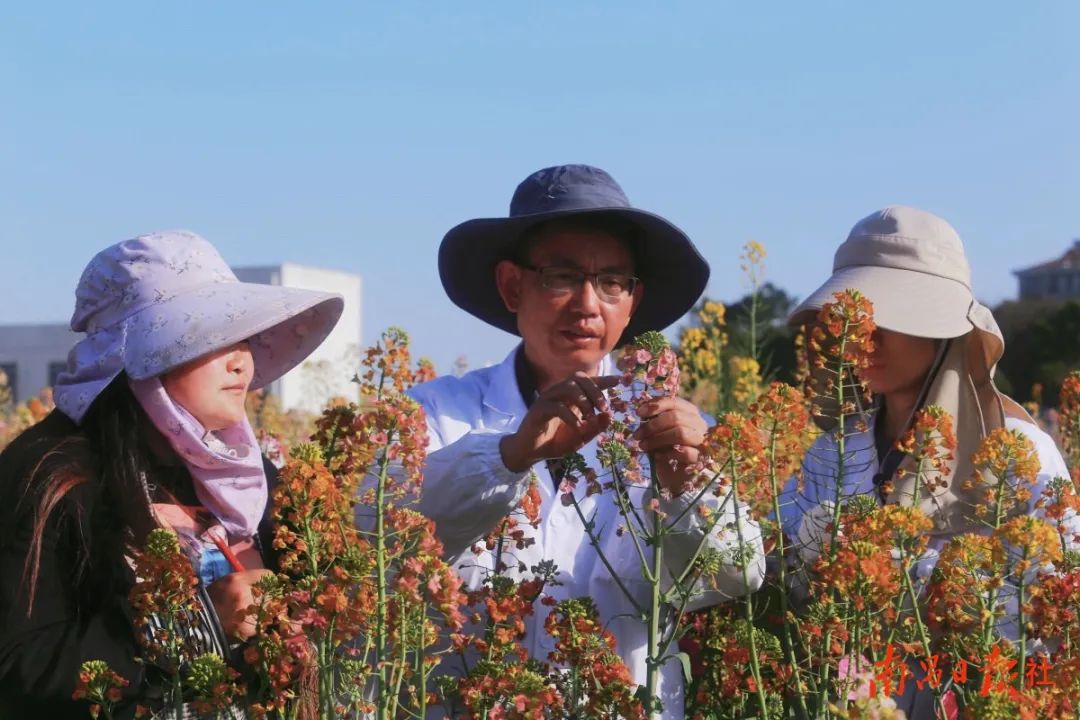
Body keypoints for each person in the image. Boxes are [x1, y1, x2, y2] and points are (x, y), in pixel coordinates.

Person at [407, 164, 765, 717]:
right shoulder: (436, 413)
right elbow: (386, 535)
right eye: (561, 276)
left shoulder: (682, 433)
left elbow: (735, 574)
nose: (588, 304)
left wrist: (685, 488)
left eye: (612, 282)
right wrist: (511, 454)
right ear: (511, 285)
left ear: (632, 301)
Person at [0, 231, 343, 718]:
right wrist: (194, 624)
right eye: (215, 337)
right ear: (139, 356)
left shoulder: (252, 476)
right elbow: (17, 666)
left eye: (243, 338)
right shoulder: (52, 480)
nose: (241, 360)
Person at [779, 206, 1076, 717]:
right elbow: (778, 574)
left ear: (943, 329)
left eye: (889, 317)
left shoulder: (1019, 451)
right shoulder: (830, 450)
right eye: (855, 318)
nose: (866, 338)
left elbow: (1058, 612)